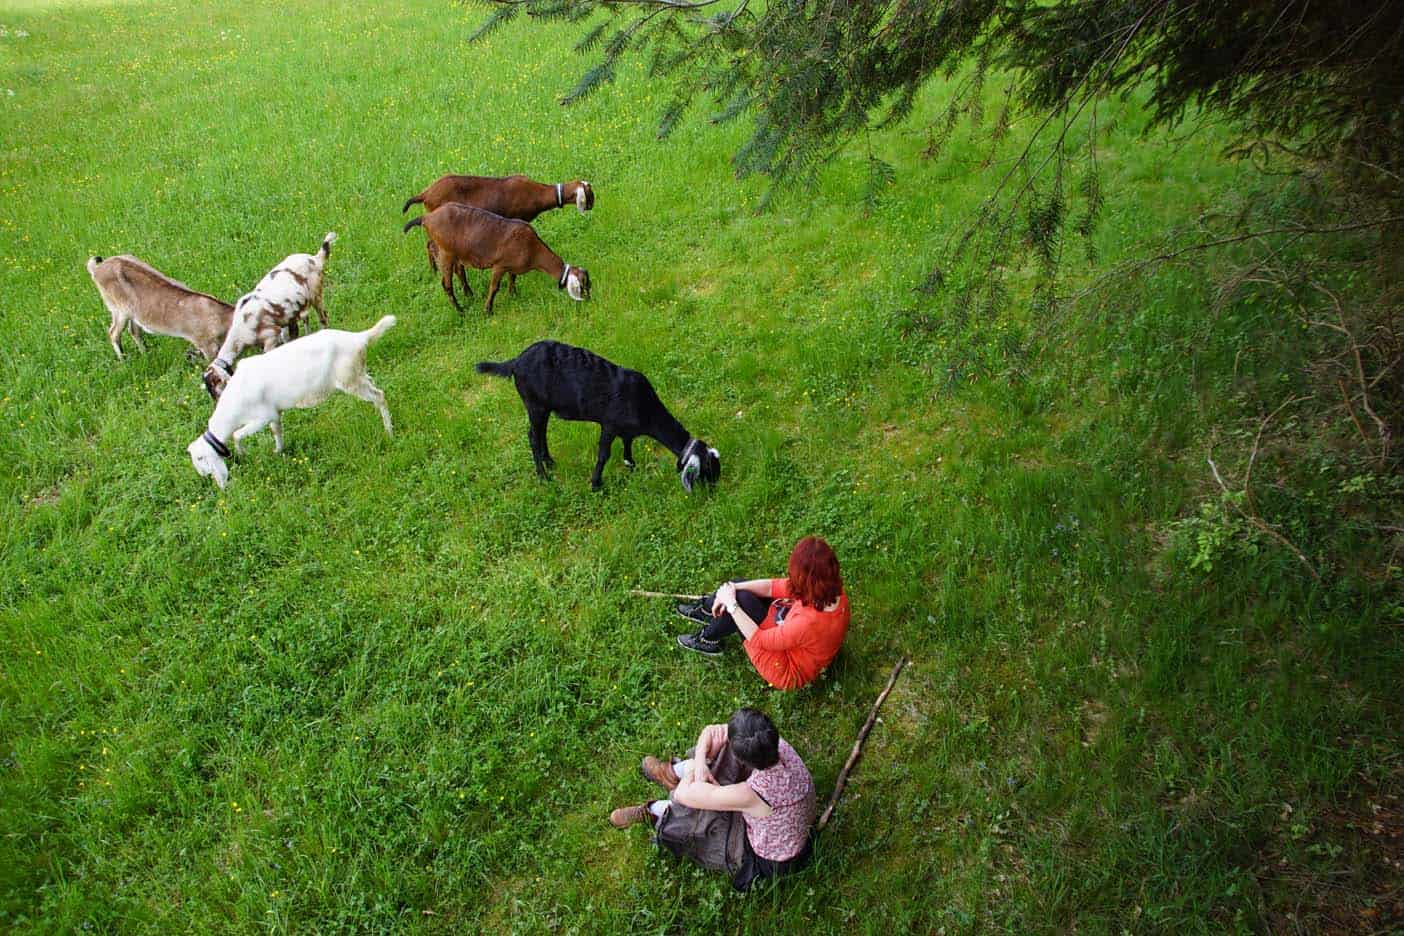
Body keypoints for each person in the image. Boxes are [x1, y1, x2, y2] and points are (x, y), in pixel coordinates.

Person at [608, 708, 815, 891]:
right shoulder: (769, 741)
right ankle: (670, 773)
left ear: (745, 761)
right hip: (777, 818)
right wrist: (700, 764)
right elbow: (712, 731)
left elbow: (684, 795)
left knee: (702, 819)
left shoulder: (751, 793)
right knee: (717, 753)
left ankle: (654, 811)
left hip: (770, 855)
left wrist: (696, 771)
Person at [675, 535, 849, 690]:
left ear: (806, 579)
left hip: (785, 666)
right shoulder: (830, 588)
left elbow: (760, 640)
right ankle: (708, 610)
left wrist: (732, 604)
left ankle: (706, 638)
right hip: (792, 633)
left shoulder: (808, 623)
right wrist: (734, 587)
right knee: (738, 588)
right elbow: (773, 587)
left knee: (741, 602)